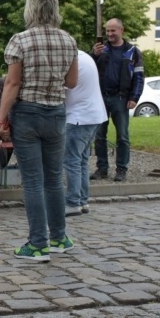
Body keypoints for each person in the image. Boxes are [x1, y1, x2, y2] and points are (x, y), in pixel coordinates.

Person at [0, 0, 78, 262]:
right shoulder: (68, 40)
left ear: (30, 9)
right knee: (54, 178)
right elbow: (71, 83)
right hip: (56, 112)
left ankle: (38, 244)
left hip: (28, 113)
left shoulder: (20, 40)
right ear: (55, 9)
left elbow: (13, 83)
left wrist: (1, 117)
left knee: (32, 181)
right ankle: (59, 237)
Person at [90, 18, 145, 183]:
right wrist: (94, 54)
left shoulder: (133, 51)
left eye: (113, 30)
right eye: (107, 31)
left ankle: (121, 169)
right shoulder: (101, 49)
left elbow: (139, 77)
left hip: (121, 98)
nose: (109, 34)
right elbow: (87, 68)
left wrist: (134, 97)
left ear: (122, 30)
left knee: (122, 136)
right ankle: (102, 168)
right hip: (100, 97)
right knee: (99, 135)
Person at [65, 51, 107, 217]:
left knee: (71, 160)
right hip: (93, 114)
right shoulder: (83, 56)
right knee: (81, 160)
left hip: (79, 116)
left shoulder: (70, 59)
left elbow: (62, 86)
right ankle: (83, 200)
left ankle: (73, 202)